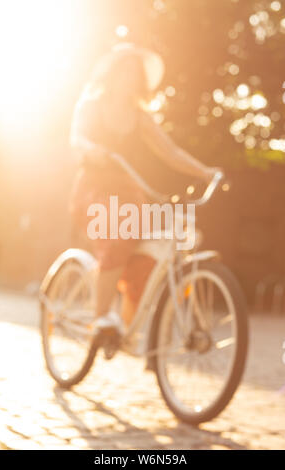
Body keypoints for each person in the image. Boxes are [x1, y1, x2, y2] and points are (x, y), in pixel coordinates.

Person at [70, 43, 218, 345]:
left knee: (153, 248)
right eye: (125, 70)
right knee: (117, 235)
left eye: (136, 73)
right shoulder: (92, 105)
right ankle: (101, 318)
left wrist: (204, 171)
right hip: (94, 187)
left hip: (128, 189)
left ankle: (125, 325)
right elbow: (76, 137)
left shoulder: (140, 117)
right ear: (113, 73)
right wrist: (91, 150)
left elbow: (171, 151)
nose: (130, 77)